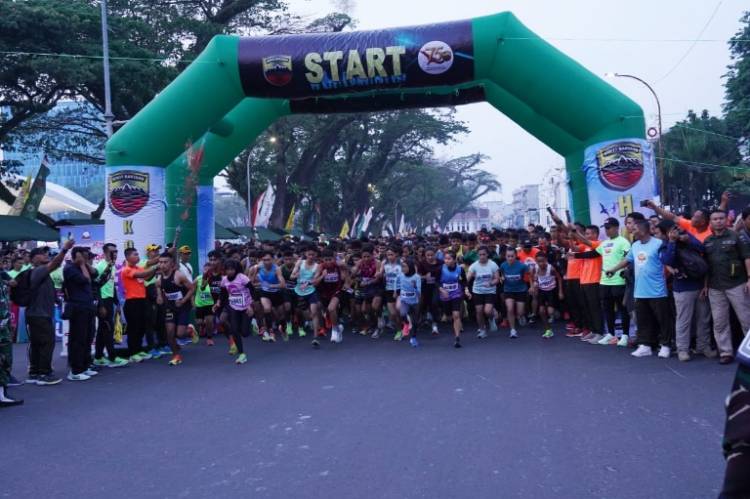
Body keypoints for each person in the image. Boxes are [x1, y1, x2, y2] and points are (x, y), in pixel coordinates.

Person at [606, 219, 673, 359]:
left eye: (635, 229)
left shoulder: (658, 243)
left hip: (657, 291)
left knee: (662, 320)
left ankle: (665, 345)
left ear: (643, 230)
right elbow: (627, 260)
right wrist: (613, 269)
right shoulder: (635, 245)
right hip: (640, 291)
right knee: (643, 320)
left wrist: (673, 270)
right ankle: (645, 346)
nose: (632, 231)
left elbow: (667, 261)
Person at [660, 223, 715, 362]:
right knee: (683, 320)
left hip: (700, 285)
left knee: (703, 318)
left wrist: (688, 239)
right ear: (666, 233)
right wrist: (672, 241)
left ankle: (703, 346)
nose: (676, 232)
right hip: (682, 287)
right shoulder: (665, 244)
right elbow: (667, 260)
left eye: (677, 229)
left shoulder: (687, 237)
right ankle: (682, 349)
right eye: (672, 230)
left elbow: (702, 248)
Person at [703, 209, 750, 364]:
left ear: (726, 220)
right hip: (715, 287)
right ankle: (725, 352)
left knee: (746, 319)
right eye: (715, 219)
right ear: (710, 222)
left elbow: (747, 258)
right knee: (719, 322)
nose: (718, 221)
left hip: (737, 284)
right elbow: (706, 266)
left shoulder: (736, 237)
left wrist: (749, 278)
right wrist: (705, 285)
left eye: (721, 218)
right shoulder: (707, 241)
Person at [25, 239, 75, 386]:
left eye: (46, 253)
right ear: (33, 259)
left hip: (37, 314)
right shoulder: (38, 270)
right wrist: (65, 249)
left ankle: (35, 372)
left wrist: (56, 300)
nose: (45, 255)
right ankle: (44, 374)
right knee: (47, 343)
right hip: (40, 315)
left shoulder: (41, 273)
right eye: (41, 253)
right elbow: (55, 263)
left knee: (37, 344)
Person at [63, 247, 100, 381]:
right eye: (84, 256)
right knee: (78, 339)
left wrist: (85, 263)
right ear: (76, 257)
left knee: (87, 337)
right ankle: (75, 370)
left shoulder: (83, 267)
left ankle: (85, 366)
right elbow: (86, 279)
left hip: (88, 307)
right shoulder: (70, 268)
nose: (87, 258)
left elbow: (95, 274)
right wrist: (82, 264)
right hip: (77, 308)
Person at [595, 218, 631, 345]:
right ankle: (610, 334)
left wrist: (623, 272)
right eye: (605, 228)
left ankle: (625, 336)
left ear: (616, 227)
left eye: (608, 227)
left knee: (622, 309)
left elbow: (629, 259)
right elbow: (592, 253)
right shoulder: (604, 243)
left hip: (619, 281)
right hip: (604, 281)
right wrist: (575, 254)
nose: (607, 230)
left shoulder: (623, 242)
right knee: (607, 309)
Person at [155, 252, 195, 365]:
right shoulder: (159, 278)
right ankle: (176, 355)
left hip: (183, 306)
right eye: (160, 262)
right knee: (170, 333)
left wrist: (183, 300)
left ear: (171, 263)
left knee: (180, 334)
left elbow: (192, 288)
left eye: (165, 262)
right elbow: (158, 287)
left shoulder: (179, 275)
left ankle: (190, 330)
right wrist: (159, 296)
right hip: (170, 307)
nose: (162, 265)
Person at [121, 247, 159, 363]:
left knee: (142, 327)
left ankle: (138, 350)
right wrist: (155, 267)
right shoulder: (126, 269)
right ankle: (133, 353)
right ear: (128, 257)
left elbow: (147, 277)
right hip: (132, 302)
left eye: (138, 254)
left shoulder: (138, 268)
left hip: (142, 301)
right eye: (135, 254)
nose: (137, 256)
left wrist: (155, 271)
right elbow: (143, 274)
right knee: (134, 328)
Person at [93, 244, 128, 368]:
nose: (115, 254)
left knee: (103, 330)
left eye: (116, 251)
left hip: (109, 300)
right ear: (106, 253)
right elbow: (96, 287)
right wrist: (101, 305)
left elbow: (111, 285)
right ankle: (112, 358)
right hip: (102, 301)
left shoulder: (111, 266)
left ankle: (98, 357)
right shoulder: (100, 266)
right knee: (108, 329)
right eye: (112, 251)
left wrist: (116, 302)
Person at [214, 259, 252, 364]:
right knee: (235, 330)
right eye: (228, 269)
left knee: (244, 333)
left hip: (245, 306)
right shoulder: (224, 280)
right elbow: (222, 293)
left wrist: (250, 305)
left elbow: (252, 290)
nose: (230, 271)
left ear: (235, 269)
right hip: (233, 306)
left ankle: (251, 323)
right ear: (225, 270)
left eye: (232, 269)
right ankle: (242, 354)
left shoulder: (242, 278)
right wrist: (218, 302)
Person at [249, 251, 287, 342]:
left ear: (272, 260)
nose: (266, 262)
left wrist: (271, 285)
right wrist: (255, 272)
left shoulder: (277, 269)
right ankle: (270, 332)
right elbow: (251, 283)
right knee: (266, 309)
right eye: (264, 260)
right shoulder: (257, 268)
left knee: (280, 316)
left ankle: (282, 326)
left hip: (277, 293)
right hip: (264, 292)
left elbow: (283, 285)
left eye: (268, 260)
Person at [315, 249, 348, 344]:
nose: (328, 262)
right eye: (326, 260)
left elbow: (347, 272)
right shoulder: (320, 267)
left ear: (334, 259)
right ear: (322, 259)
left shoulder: (339, 265)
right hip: (324, 292)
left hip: (336, 291)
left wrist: (346, 281)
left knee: (331, 308)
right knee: (324, 309)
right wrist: (322, 276)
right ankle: (337, 327)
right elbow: (315, 282)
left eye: (330, 259)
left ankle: (334, 331)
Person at [292, 246, 323, 348]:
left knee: (314, 312)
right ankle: (311, 322)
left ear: (316, 255)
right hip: (299, 291)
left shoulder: (317, 266)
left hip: (311, 291)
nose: (311, 256)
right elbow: (292, 276)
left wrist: (309, 283)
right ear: (306, 254)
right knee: (308, 316)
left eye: (313, 254)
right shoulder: (300, 262)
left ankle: (315, 337)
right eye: (309, 254)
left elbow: (315, 280)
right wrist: (295, 275)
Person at [468, 246, 500, 339]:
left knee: (487, 311)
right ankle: (482, 330)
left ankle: (491, 318)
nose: (482, 256)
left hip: (490, 291)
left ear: (487, 255)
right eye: (480, 255)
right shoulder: (474, 266)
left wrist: (490, 283)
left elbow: (497, 279)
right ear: (477, 255)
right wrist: (465, 287)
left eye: (484, 254)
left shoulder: (493, 265)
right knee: (479, 311)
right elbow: (467, 278)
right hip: (477, 291)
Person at [0, 268, 22, 406]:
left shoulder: (2, 275)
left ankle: (3, 393)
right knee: (3, 360)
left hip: (4, 325)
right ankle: (1, 396)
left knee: (5, 360)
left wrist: (9, 323)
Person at [438, 251, 468, 348]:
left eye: (449, 259)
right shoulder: (441, 269)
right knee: (449, 315)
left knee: (456, 315)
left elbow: (464, 281)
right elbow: (436, 282)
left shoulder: (460, 269)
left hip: (456, 293)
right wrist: (441, 289)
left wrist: (465, 290)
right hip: (445, 295)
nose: (446, 261)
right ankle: (452, 320)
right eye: (445, 259)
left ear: (454, 260)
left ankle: (457, 338)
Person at [531, 252, 563, 339]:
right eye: (538, 261)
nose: (541, 263)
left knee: (550, 312)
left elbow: (559, 278)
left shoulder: (551, 269)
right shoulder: (535, 268)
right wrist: (532, 286)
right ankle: (548, 329)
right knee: (541, 311)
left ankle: (555, 311)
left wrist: (560, 292)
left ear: (546, 260)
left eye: (542, 261)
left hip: (551, 291)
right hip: (542, 291)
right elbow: (531, 276)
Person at [499, 247, 530, 339]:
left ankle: (521, 316)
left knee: (520, 312)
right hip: (508, 290)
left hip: (520, 290)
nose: (510, 258)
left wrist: (532, 286)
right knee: (510, 309)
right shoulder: (503, 265)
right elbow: (502, 274)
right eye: (508, 256)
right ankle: (513, 330)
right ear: (505, 256)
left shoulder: (522, 266)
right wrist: (502, 278)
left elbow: (530, 275)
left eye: (512, 256)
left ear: (516, 256)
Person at [398, 258, 422, 348]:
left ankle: (413, 338)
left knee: (415, 321)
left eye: (405, 267)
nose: (403, 268)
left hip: (415, 301)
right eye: (402, 267)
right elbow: (397, 284)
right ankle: (407, 323)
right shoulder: (400, 275)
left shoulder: (416, 277)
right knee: (402, 314)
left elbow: (419, 292)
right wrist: (395, 292)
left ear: (410, 267)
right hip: (404, 300)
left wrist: (414, 287)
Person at [193, 262, 217, 347]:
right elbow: (192, 290)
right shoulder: (198, 278)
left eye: (208, 270)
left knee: (209, 321)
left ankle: (209, 338)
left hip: (210, 304)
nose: (206, 271)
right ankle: (202, 326)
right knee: (199, 322)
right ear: (203, 270)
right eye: (205, 269)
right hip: (199, 304)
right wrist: (192, 302)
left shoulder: (214, 280)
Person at [382, 247, 404, 341]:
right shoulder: (384, 263)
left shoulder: (401, 263)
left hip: (400, 290)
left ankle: (403, 326)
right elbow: (380, 273)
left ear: (396, 254)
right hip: (388, 290)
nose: (390, 257)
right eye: (388, 255)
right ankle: (399, 329)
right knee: (393, 314)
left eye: (391, 254)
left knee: (398, 309)